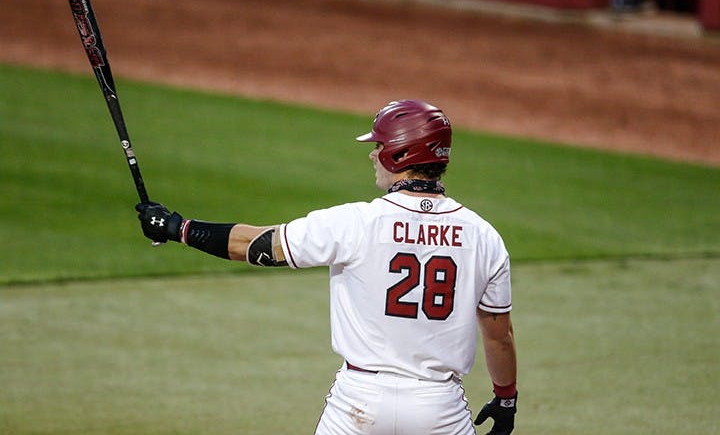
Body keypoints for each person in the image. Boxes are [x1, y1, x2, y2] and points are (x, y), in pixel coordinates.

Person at [135, 99, 518, 435]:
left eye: (380, 145)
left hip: (360, 404)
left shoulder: (354, 222)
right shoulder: (484, 237)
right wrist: (505, 398)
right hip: (440, 408)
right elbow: (499, 336)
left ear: (398, 154)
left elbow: (255, 246)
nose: (372, 154)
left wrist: (176, 227)